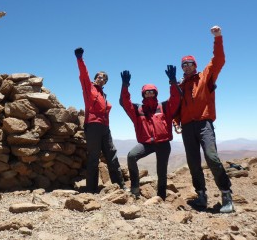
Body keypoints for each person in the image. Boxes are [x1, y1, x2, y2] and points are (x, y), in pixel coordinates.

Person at [175, 25, 234, 213]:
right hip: (187, 127)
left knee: (212, 157)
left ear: (195, 65)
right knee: (193, 162)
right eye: (184, 64)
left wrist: (218, 37)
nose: (187, 66)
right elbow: (176, 108)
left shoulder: (206, 76)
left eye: (189, 63)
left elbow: (219, 60)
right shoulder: (180, 85)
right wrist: (176, 122)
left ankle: (226, 194)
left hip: (204, 123)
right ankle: (201, 194)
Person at [119, 66, 181, 199]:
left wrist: (173, 81)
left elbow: (176, 98)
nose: (149, 94)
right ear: (143, 94)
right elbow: (125, 102)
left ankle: (161, 196)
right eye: (146, 92)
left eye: (152, 92)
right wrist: (125, 86)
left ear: (156, 93)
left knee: (161, 171)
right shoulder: (137, 110)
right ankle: (135, 188)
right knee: (131, 156)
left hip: (163, 143)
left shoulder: (164, 107)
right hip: (146, 143)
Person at [74, 47, 126, 193]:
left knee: (112, 155)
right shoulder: (88, 88)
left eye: (104, 78)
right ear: (95, 78)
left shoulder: (104, 95)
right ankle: (91, 190)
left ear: (105, 82)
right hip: (93, 126)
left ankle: (120, 187)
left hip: (105, 128)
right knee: (93, 158)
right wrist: (80, 58)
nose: (101, 78)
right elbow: (84, 74)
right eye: (99, 76)